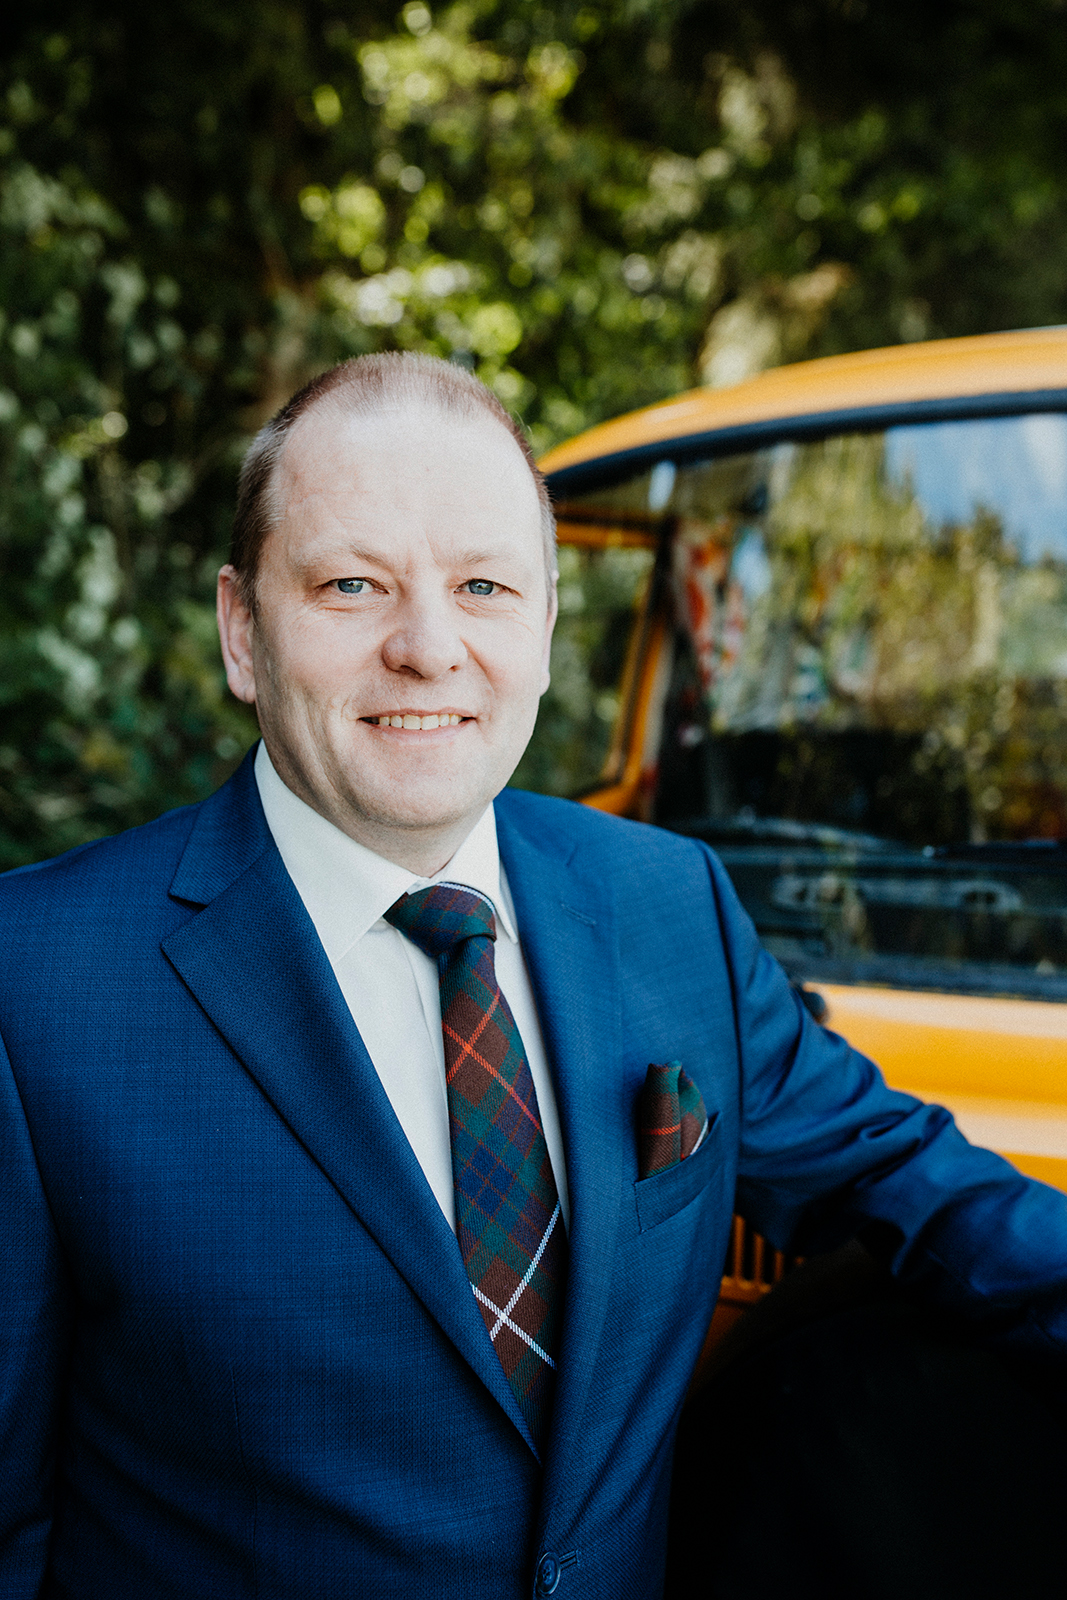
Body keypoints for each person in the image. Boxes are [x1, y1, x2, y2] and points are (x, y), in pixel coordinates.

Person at [1, 351, 1066, 1600]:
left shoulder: (669, 901)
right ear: (244, 631)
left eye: (483, 586)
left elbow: (904, 1177)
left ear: (546, 630)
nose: (428, 647)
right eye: (351, 584)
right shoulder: (35, 982)